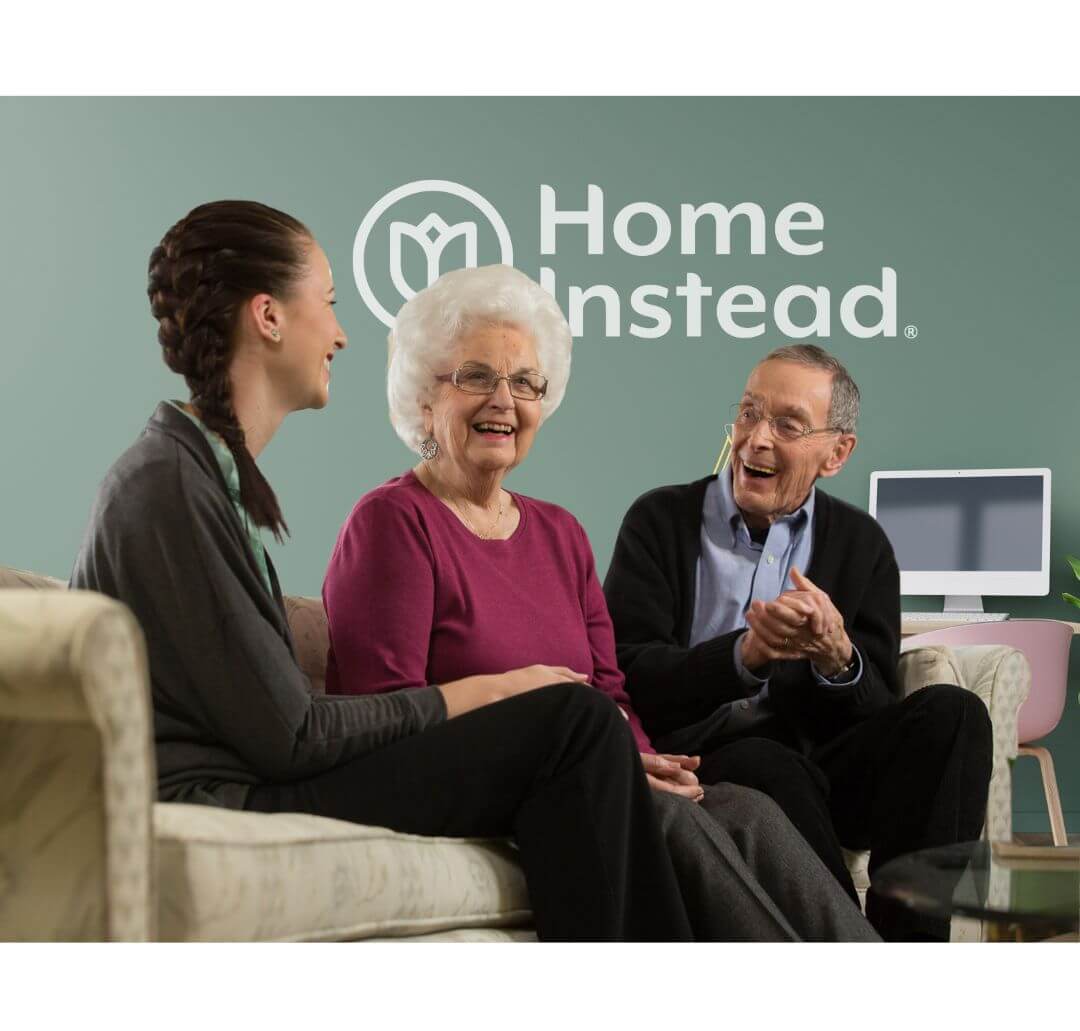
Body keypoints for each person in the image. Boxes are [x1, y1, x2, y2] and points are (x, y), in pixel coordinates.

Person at [70, 199, 728, 942]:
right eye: (327, 304)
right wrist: (501, 687)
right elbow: (292, 737)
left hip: (252, 779)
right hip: (227, 796)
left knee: (607, 739)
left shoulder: (197, 475)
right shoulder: (169, 485)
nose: (342, 334)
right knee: (572, 724)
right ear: (268, 316)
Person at [322, 264, 879, 942]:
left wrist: (645, 761)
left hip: (590, 770)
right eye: (475, 376)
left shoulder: (560, 533)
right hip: (475, 781)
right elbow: (387, 712)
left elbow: (611, 687)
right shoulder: (392, 522)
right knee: (666, 819)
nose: (505, 400)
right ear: (421, 400)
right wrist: (609, 772)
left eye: (525, 382)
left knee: (747, 808)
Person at [603, 343, 994, 940]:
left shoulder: (862, 543)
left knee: (955, 713)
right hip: (710, 756)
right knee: (767, 758)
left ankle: (912, 946)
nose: (757, 438)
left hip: (826, 767)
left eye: (787, 424)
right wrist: (743, 657)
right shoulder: (659, 520)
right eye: (749, 413)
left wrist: (840, 659)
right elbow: (626, 672)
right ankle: (851, 952)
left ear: (836, 453)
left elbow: (877, 706)